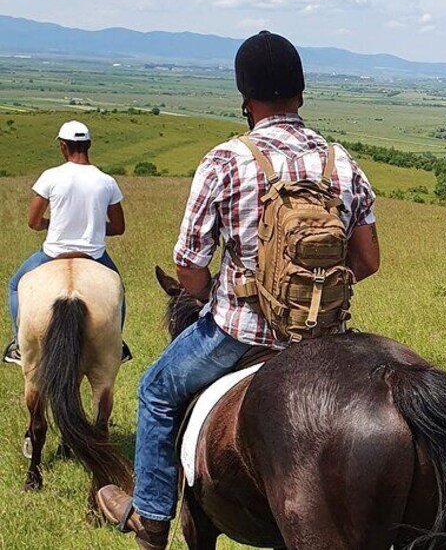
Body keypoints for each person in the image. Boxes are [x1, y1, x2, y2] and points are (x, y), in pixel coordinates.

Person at [96, 31, 380, 549]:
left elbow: (188, 264)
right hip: (327, 339)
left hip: (238, 331)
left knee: (156, 391)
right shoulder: (343, 164)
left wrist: (217, 297)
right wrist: (311, 295)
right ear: (300, 94)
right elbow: (368, 260)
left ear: (244, 99)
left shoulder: (226, 160)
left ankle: (153, 518)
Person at [3, 120, 131, 364]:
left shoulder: (51, 177)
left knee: (14, 284)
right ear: (89, 145)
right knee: (118, 290)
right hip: (94, 256)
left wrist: (51, 224)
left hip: (53, 253)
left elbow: (33, 221)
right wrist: (91, 226)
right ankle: (117, 345)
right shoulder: (107, 181)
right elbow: (118, 227)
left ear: (63, 146)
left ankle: (19, 344)